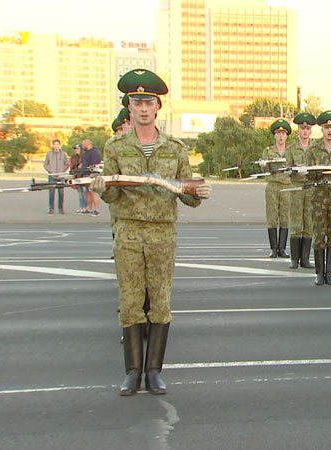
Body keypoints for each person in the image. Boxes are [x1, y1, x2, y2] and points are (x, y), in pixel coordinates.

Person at [90, 68, 211, 395]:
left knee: (159, 302)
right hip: (128, 232)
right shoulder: (115, 146)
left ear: (158, 107)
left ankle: (154, 370)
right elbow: (114, 194)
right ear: (128, 106)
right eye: (136, 101)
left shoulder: (175, 148)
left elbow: (188, 197)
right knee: (130, 302)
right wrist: (103, 188)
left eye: (149, 102)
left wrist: (198, 193)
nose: (143, 108)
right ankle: (133, 372)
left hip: (161, 234)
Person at [305, 110, 331, 286]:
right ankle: (319, 273)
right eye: (326, 127)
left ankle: (330, 272)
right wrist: (318, 171)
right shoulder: (313, 150)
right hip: (319, 196)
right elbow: (308, 175)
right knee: (319, 234)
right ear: (322, 130)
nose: (329, 130)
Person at [285, 113, 316, 270]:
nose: (305, 131)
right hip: (297, 188)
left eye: (308, 128)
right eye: (302, 128)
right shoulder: (291, 149)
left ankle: (305, 258)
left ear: (311, 131)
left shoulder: (315, 149)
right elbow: (287, 169)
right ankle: (294, 258)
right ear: (298, 130)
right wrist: (295, 171)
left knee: (309, 222)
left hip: (310, 188)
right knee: (296, 221)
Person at [262, 119, 292, 258]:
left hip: (286, 186)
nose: (280, 136)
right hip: (273, 186)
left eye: (283, 133)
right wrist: (263, 165)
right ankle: (273, 248)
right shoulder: (268, 151)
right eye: (278, 133)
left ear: (286, 136)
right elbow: (265, 171)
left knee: (285, 217)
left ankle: (282, 248)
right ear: (274, 135)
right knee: (272, 217)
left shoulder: (291, 151)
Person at [44, 139, 69, 215]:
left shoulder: (63, 154)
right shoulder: (49, 154)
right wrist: (50, 171)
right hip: (52, 176)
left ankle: (61, 208)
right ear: (52, 145)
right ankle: (51, 208)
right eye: (55, 144)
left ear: (59, 145)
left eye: (57, 144)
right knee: (51, 192)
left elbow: (67, 164)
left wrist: (63, 171)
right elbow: (45, 164)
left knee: (61, 193)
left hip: (61, 176)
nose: (56, 145)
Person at [80, 138, 102, 216]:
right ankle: (88, 208)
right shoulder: (86, 153)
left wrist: (91, 173)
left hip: (92, 175)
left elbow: (95, 165)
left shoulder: (94, 152)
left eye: (83, 145)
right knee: (87, 192)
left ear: (87, 144)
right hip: (85, 175)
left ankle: (96, 210)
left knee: (93, 192)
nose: (82, 147)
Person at [71, 144, 88, 214]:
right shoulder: (73, 156)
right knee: (80, 193)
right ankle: (81, 208)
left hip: (84, 176)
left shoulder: (84, 156)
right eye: (75, 149)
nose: (76, 150)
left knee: (86, 193)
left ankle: (86, 208)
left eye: (78, 149)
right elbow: (73, 166)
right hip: (77, 176)